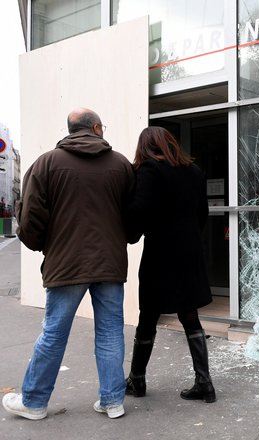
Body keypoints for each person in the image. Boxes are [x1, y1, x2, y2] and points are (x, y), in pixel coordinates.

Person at [2, 108, 134, 420]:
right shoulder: (121, 164)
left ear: (71, 129)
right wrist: (125, 238)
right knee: (111, 330)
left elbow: (30, 216)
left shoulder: (46, 163)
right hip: (110, 264)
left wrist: (45, 246)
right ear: (97, 127)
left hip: (66, 264)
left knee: (54, 332)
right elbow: (133, 213)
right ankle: (113, 401)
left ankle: (34, 402)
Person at [125, 126, 216, 403]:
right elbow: (203, 213)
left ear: (145, 147)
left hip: (161, 253)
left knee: (148, 316)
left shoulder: (150, 170)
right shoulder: (194, 172)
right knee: (189, 315)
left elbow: (139, 211)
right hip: (188, 253)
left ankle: (137, 380)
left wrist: (131, 234)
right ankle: (205, 383)